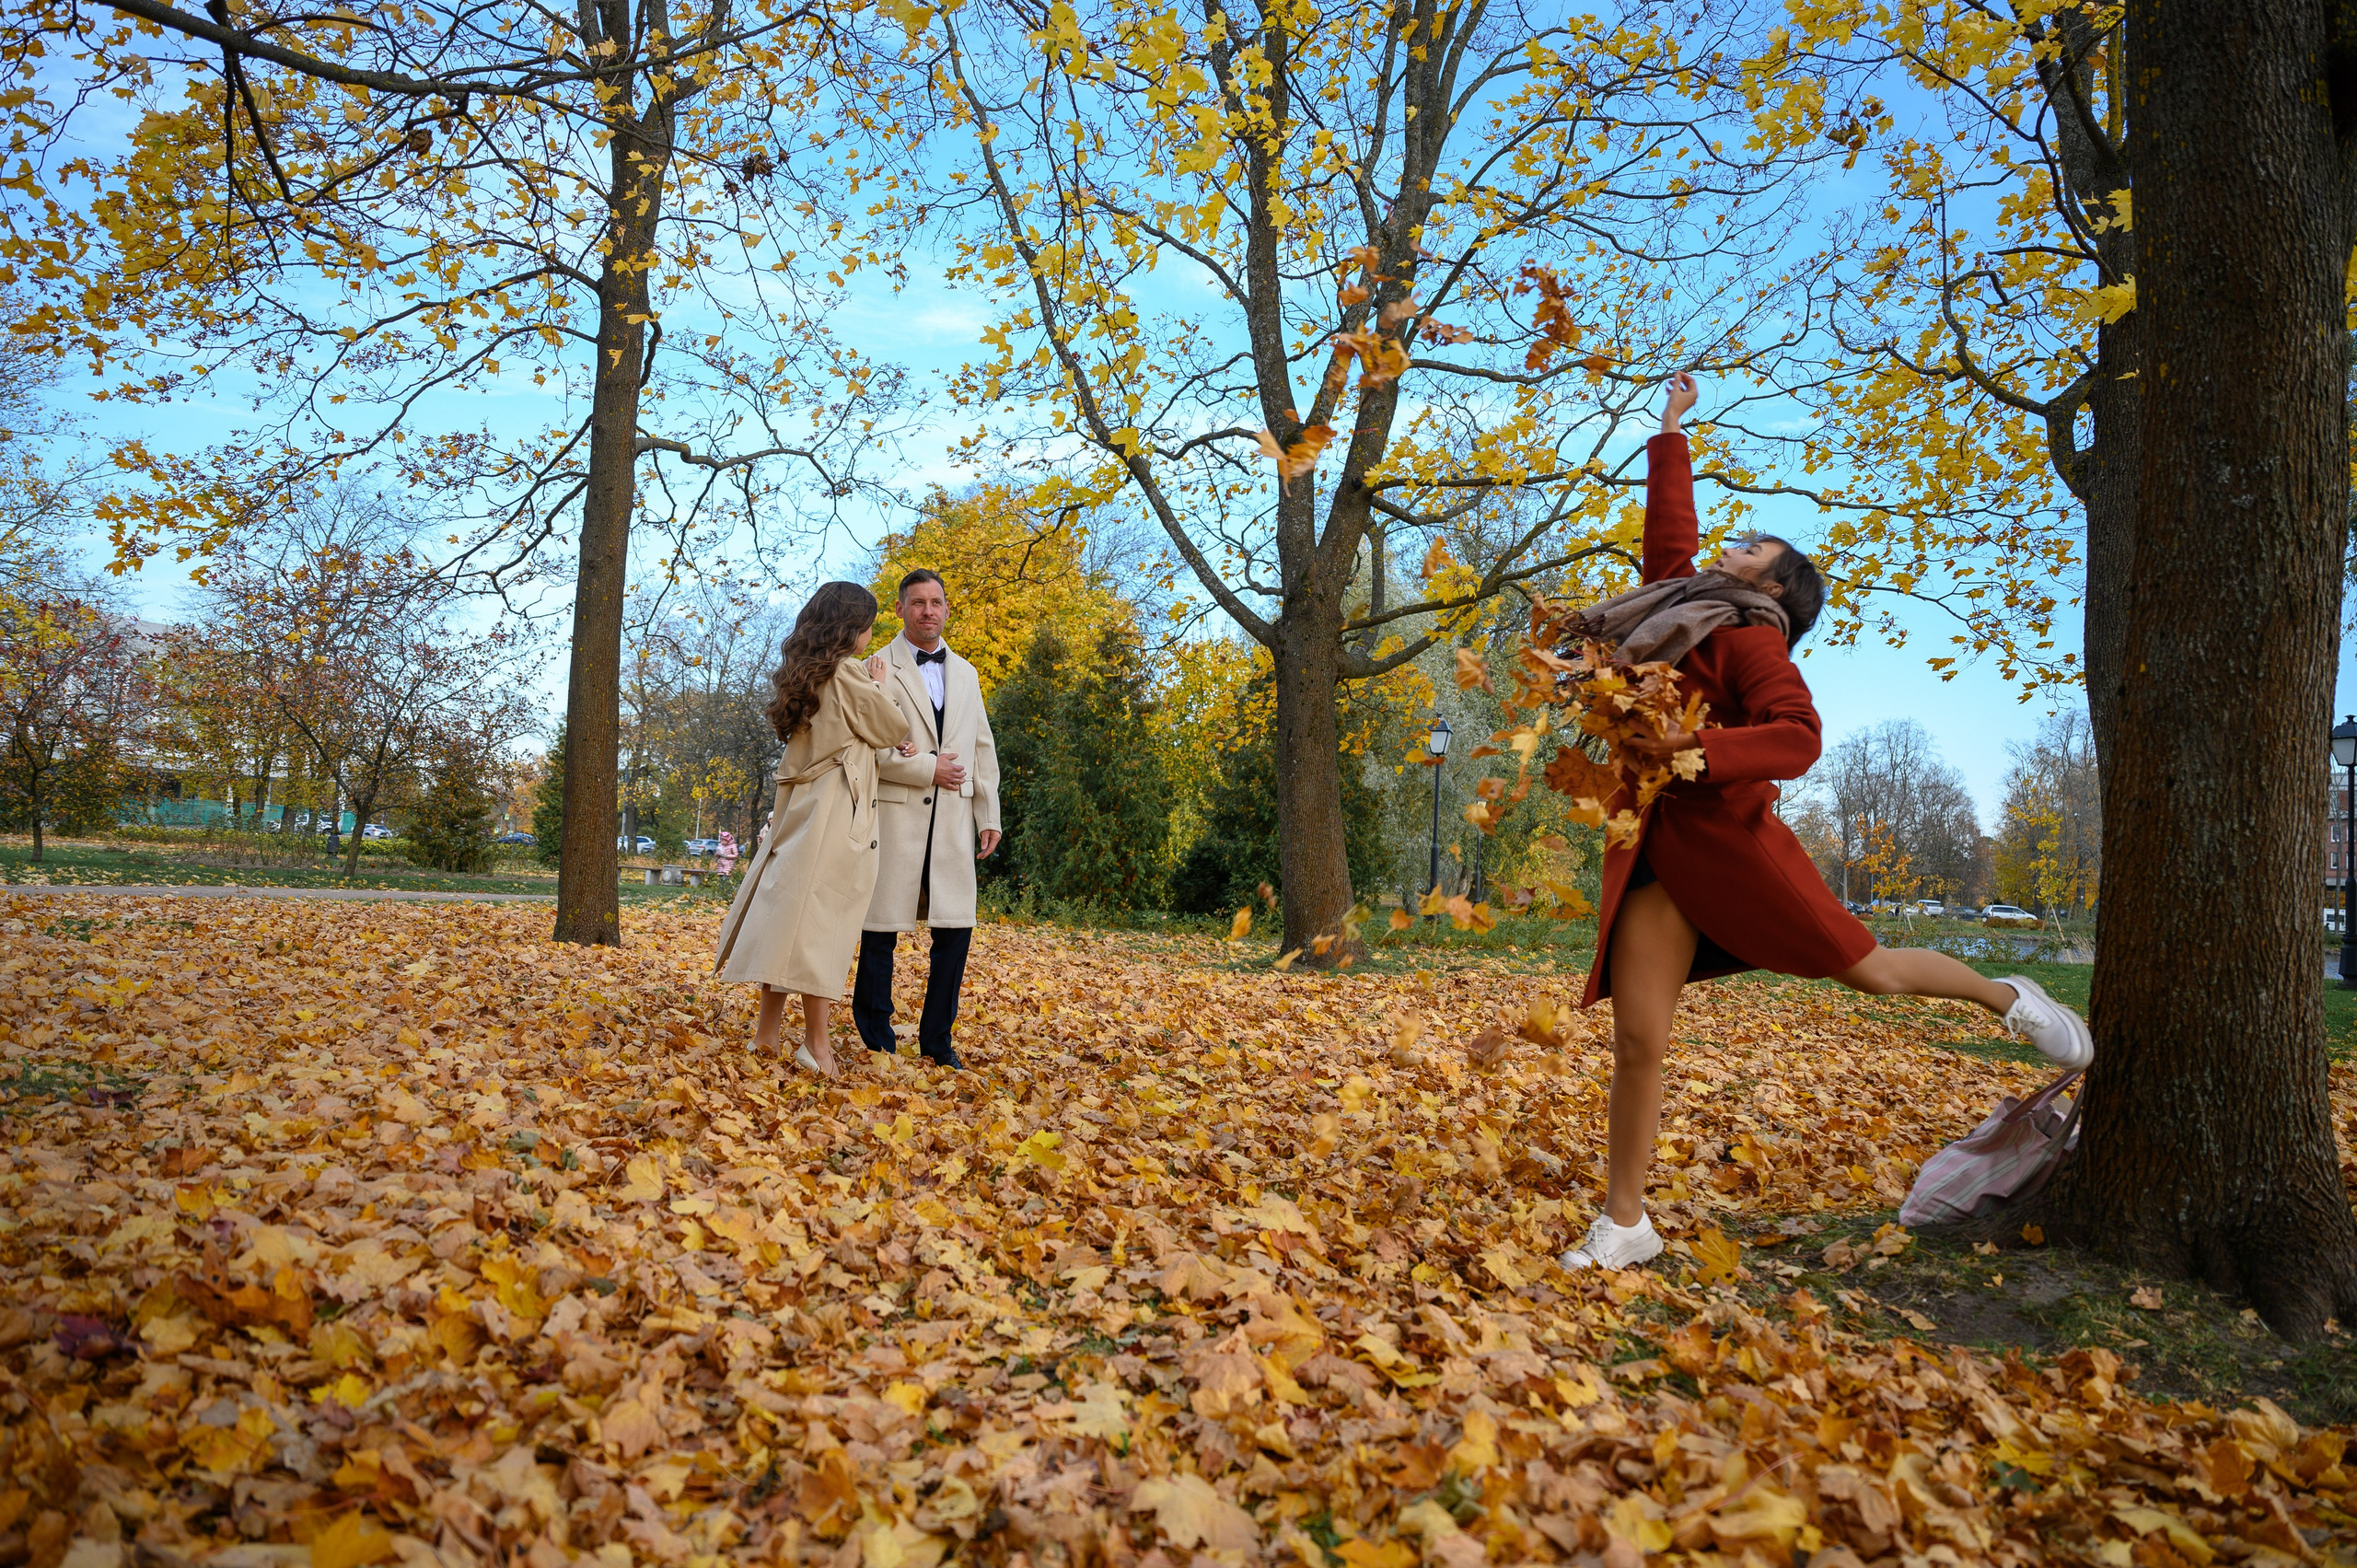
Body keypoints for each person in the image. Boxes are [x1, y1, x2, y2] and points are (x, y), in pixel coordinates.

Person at [1562, 372, 2094, 1272]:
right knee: (1640, 1039)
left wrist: (1696, 751)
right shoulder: (1676, 607)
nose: (1730, 546)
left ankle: (2006, 996)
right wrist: (1671, 427)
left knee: (1872, 971)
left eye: (1751, 547)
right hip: (1659, 851)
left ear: (1772, 584)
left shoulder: (1751, 638)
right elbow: (1670, 534)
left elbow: (1798, 736)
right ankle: (1626, 1223)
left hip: (1735, 850)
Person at [713, 582, 915, 1077]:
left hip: (805, 810)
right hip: (835, 811)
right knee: (820, 927)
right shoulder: (848, 673)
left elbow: (862, 735)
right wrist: (880, 683)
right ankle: (816, 1045)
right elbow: (891, 726)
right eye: (867, 626)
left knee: (791, 921)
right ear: (851, 628)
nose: (870, 635)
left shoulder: (808, 674)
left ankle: (767, 1035)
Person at [851, 570, 1002, 1069]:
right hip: (896, 819)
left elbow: (982, 748)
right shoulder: (874, 666)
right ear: (900, 610)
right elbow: (869, 751)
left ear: (947, 609)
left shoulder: (968, 673)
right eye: (918, 603)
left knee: (955, 932)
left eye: (936, 602)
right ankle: (877, 1039)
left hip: (955, 818)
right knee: (880, 931)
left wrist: (989, 813)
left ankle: (938, 1042)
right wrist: (926, 768)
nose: (928, 611)